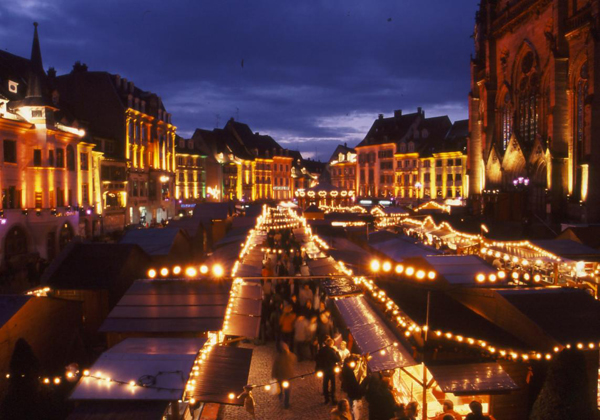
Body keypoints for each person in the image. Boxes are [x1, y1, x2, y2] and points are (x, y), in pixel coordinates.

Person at [271, 342, 297, 409]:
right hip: (287, 377)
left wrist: (273, 375)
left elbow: (274, 367)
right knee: (287, 390)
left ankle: (283, 400)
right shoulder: (291, 356)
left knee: (284, 389)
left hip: (282, 376)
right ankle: (286, 403)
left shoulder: (278, 357)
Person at [316, 337, 342, 405]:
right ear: (331, 344)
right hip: (331, 370)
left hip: (324, 370)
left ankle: (326, 398)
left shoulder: (321, 350)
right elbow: (337, 359)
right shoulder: (332, 351)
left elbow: (317, 359)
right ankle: (333, 397)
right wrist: (337, 352)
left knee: (325, 383)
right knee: (333, 383)